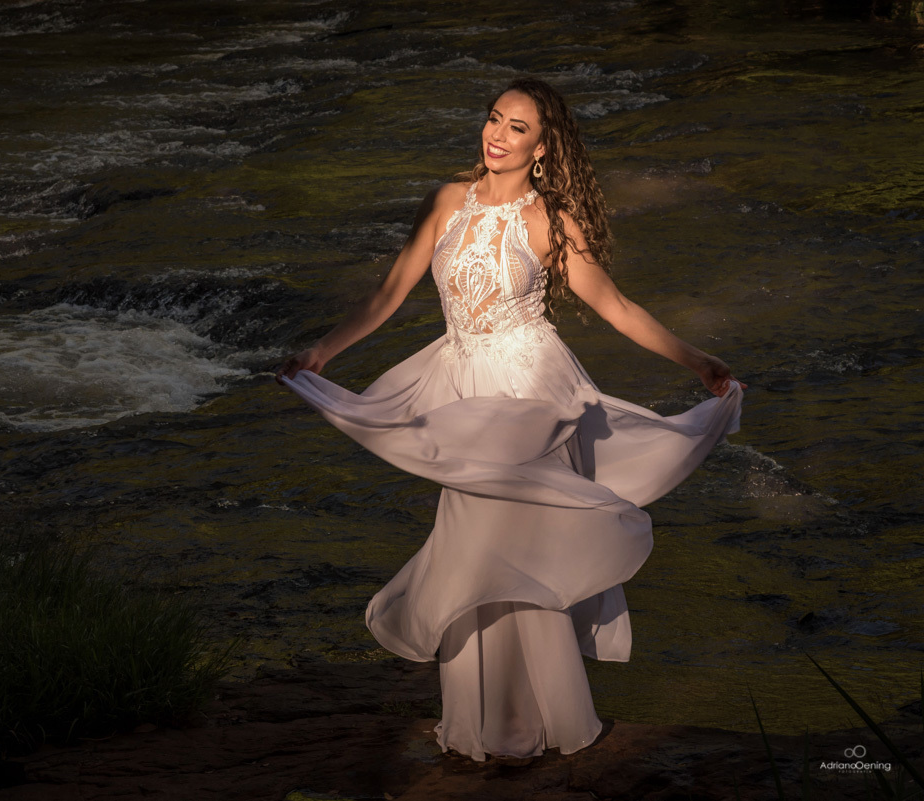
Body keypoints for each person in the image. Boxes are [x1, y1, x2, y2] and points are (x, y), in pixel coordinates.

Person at [274, 76, 745, 762]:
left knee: (517, 556)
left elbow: (614, 306)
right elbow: (388, 292)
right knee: (472, 550)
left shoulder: (546, 220)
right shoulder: (444, 202)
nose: (496, 135)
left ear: (544, 146)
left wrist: (696, 360)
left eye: (517, 127)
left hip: (530, 396)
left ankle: (543, 724)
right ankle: (482, 724)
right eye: (494, 119)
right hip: (461, 388)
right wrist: (321, 351)